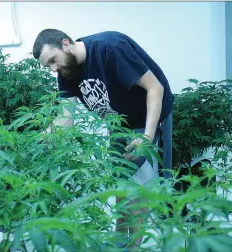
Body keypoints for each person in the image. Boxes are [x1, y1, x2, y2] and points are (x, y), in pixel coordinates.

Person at [32, 29, 174, 250]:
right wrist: (43, 136)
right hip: (118, 123)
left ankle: (133, 247)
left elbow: (155, 87)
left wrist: (146, 138)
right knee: (120, 180)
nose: (52, 69)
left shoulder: (110, 48)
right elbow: (66, 117)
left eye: (53, 60)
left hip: (146, 116)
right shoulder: (66, 72)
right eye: (47, 66)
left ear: (65, 44)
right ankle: (119, 241)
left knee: (138, 185)